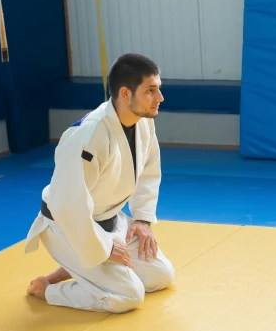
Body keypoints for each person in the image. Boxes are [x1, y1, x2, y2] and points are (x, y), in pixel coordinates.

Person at [24, 53, 174, 313]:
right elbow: (67, 204)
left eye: (158, 89)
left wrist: (142, 218)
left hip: (110, 220)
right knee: (130, 296)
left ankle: (80, 268)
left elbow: (149, 169)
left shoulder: (143, 123)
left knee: (161, 275)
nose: (159, 98)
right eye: (151, 90)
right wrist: (104, 248)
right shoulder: (90, 135)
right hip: (67, 228)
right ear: (126, 94)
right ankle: (48, 290)